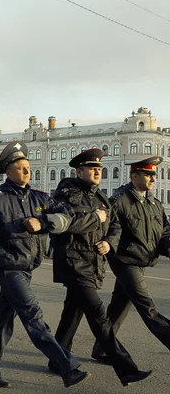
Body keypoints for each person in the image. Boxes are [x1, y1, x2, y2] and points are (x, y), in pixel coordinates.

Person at [0, 142, 89, 388]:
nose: (26, 171)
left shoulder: (40, 198)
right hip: (7, 266)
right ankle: (68, 367)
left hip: (28, 265)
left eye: (28, 167)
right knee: (32, 314)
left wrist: (43, 222)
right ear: (8, 172)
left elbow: (66, 217)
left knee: (5, 318)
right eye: (20, 168)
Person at [49, 148, 152, 386]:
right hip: (73, 262)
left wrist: (108, 242)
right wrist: (96, 218)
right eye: (92, 168)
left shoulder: (101, 198)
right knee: (99, 316)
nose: (97, 172)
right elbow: (66, 224)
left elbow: (115, 225)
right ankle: (126, 369)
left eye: (99, 169)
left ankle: (57, 359)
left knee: (72, 312)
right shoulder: (66, 193)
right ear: (79, 171)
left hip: (92, 264)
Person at [91, 156, 170, 361]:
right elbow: (106, 229)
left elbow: (164, 232)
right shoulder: (119, 200)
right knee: (148, 308)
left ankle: (101, 348)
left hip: (141, 261)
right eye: (148, 174)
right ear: (135, 176)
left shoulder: (154, 203)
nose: (153, 178)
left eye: (154, 174)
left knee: (118, 308)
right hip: (125, 261)